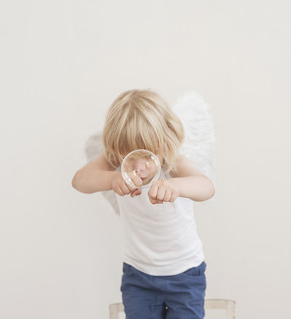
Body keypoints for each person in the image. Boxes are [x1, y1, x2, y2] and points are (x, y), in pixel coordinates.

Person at [71, 89, 215, 319]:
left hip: (184, 274)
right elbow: (79, 181)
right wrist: (112, 178)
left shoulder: (172, 162)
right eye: (129, 157)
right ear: (117, 152)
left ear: (163, 143)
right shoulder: (115, 161)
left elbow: (207, 187)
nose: (139, 167)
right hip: (138, 276)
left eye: (147, 155)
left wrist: (176, 186)